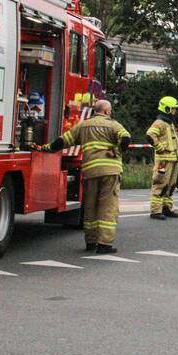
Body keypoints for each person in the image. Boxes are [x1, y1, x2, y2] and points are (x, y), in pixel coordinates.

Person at [41, 99, 130, 253]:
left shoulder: (83, 125)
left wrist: (46, 148)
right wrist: (117, 151)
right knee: (107, 207)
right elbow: (126, 138)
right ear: (107, 111)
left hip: (90, 172)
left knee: (90, 207)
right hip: (110, 171)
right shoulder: (113, 124)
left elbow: (64, 140)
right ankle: (104, 244)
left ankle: (91, 242)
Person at [147, 96, 178, 220]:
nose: (175, 111)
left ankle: (167, 208)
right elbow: (150, 134)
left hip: (172, 159)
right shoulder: (159, 122)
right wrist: (159, 147)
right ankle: (155, 211)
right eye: (173, 109)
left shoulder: (169, 123)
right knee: (160, 184)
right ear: (167, 109)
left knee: (171, 185)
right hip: (164, 160)